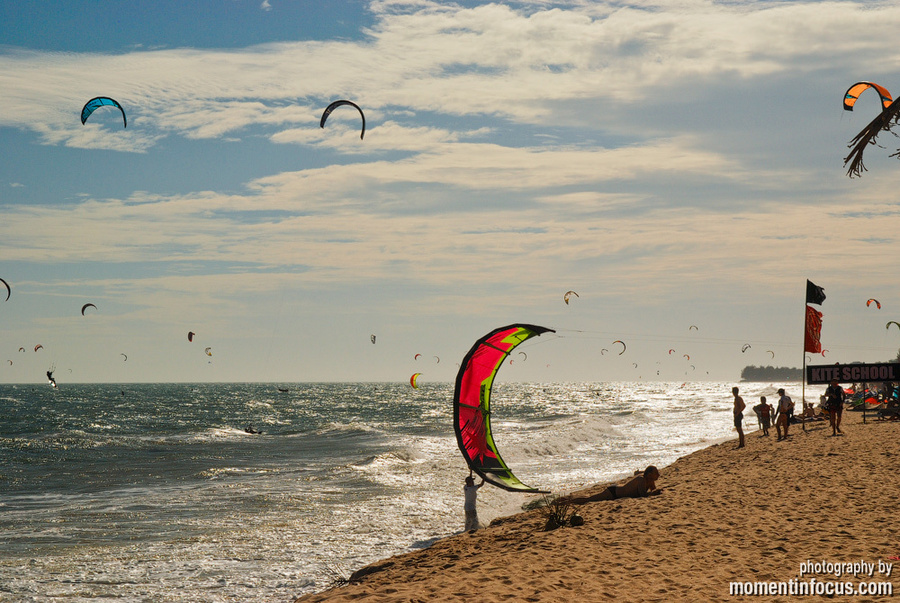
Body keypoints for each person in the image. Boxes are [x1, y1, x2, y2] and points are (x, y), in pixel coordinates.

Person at [567, 466, 662, 504]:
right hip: (613, 493)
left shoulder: (650, 481)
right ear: (649, 474)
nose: (658, 475)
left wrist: (655, 492)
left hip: (616, 493)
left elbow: (653, 491)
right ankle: (568, 502)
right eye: (656, 473)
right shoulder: (641, 480)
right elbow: (643, 495)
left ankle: (570, 499)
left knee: (591, 498)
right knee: (589, 499)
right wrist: (653, 494)